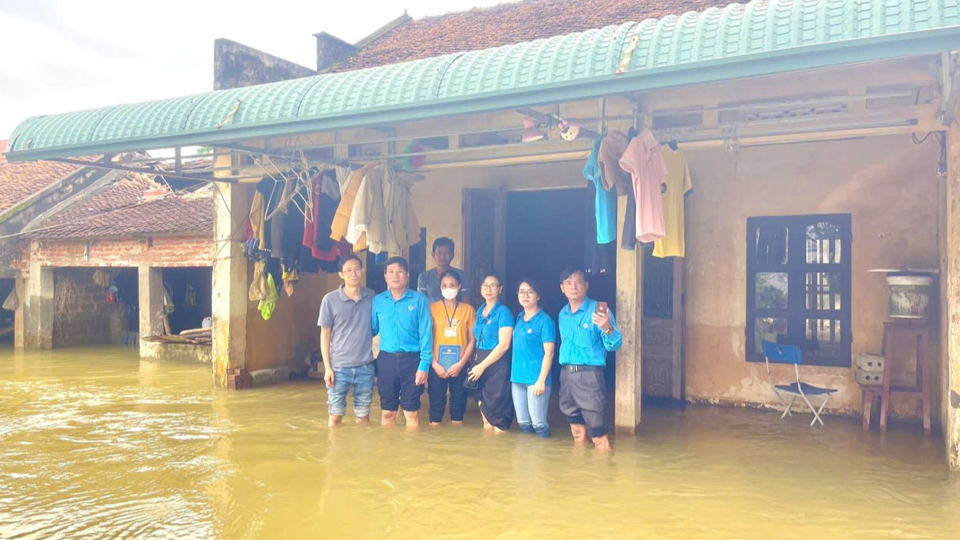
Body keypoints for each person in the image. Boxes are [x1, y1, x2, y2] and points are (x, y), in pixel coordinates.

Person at [557, 267, 622, 450]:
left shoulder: (599, 311)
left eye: (578, 282)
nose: (573, 287)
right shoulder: (563, 314)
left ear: (586, 285)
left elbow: (615, 345)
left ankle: (602, 474)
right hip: (567, 376)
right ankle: (581, 472)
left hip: (590, 377)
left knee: (598, 436)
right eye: (568, 283)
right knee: (577, 432)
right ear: (562, 288)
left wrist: (608, 327)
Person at [371, 256, 433, 428]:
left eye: (399, 272)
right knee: (387, 412)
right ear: (385, 276)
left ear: (407, 276)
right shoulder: (378, 301)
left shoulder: (419, 300)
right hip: (386, 360)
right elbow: (372, 329)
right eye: (391, 272)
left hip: (412, 361)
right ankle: (389, 452)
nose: (395, 276)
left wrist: (424, 365)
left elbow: (426, 334)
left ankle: (411, 453)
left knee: (411, 412)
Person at [318, 255, 375, 426]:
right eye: (348, 270)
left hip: (365, 366)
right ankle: (335, 451)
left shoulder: (371, 297)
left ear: (362, 271)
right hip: (338, 368)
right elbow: (325, 335)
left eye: (357, 269)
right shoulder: (330, 300)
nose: (353, 273)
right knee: (335, 417)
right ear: (340, 274)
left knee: (363, 418)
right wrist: (327, 368)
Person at [427, 270, 477, 426]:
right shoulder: (431, 309)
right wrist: (434, 364)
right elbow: (425, 339)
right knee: (435, 407)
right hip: (436, 366)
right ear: (440, 288)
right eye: (445, 285)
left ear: (459, 286)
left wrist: (461, 364)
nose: (448, 288)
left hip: (460, 365)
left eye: (452, 285)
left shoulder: (468, 310)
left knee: (458, 408)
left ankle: (455, 440)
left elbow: (472, 340)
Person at [467, 273, 514, 432]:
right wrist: (477, 365)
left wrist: (482, 366)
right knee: (486, 419)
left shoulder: (504, 312)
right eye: (485, 285)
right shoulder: (479, 312)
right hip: (480, 362)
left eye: (493, 285)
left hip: (496, 364)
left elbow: (504, 345)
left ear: (500, 289)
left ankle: (500, 453)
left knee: (498, 419)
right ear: (480, 289)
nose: (489, 289)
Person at [510, 279, 556, 437]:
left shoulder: (545, 321)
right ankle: (527, 456)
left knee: (539, 424)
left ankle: (543, 457)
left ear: (538, 296)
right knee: (523, 423)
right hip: (517, 379)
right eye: (521, 292)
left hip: (536, 380)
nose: (525, 295)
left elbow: (549, 353)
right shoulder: (519, 318)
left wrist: (542, 380)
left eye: (530, 292)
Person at [417, 237, 471, 304]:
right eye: (439, 253)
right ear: (433, 255)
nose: (442, 257)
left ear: (452, 256)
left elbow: (466, 302)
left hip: (457, 313)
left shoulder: (462, 276)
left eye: (447, 253)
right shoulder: (424, 277)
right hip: (431, 314)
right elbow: (421, 303)